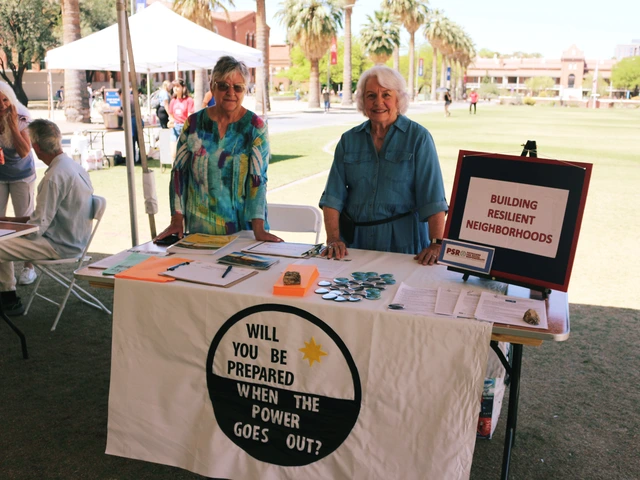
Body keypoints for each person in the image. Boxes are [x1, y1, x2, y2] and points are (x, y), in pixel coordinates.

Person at [319, 65, 448, 265]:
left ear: (399, 99)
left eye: (386, 95)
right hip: (356, 245)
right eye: (371, 96)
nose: (378, 102)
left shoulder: (418, 138)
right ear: (363, 101)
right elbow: (332, 198)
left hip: (405, 244)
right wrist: (334, 239)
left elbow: (433, 198)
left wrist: (437, 244)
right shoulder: (348, 140)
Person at [155, 56, 281, 243]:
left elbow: (257, 180)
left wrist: (259, 230)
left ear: (244, 90)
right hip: (199, 231)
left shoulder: (255, 127)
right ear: (213, 87)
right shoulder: (194, 124)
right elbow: (179, 173)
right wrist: (177, 219)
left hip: (243, 232)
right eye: (223, 86)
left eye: (238, 87)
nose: (231, 92)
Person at [0, 119, 93, 315]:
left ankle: (8, 299)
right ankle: (7, 297)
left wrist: (9, 230)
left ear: (35, 147)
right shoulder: (72, 166)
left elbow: (36, 229)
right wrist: (7, 222)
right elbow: (41, 219)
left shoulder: (54, 177)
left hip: (60, 244)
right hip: (73, 239)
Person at [0, 81, 38, 285]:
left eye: (5, 99)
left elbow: (24, 151)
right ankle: (6, 275)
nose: (2, 105)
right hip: (0, 175)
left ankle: (29, 267)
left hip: (22, 175)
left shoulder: (22, 116)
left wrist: (13, 126)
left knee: (25, 220)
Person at [115, 88, 143, 164]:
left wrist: (118, 113)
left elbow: (125, 113)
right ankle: (141, 159)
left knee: (131, 142)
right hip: (138, 120)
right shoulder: (133, 97)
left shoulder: (125, 100)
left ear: (121, 94)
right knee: (140, 141)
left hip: (132, 121)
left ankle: (132, 160)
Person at [168, 78, 195, 144]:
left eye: (177, 86)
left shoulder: (189, 100)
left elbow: (190, 116)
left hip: (185, 127)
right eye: (174, 86)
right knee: (173, 153)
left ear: (183, 88)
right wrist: (171, 122)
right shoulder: (173, 101)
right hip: (175, 127)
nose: (175, 88)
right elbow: (171, 115)